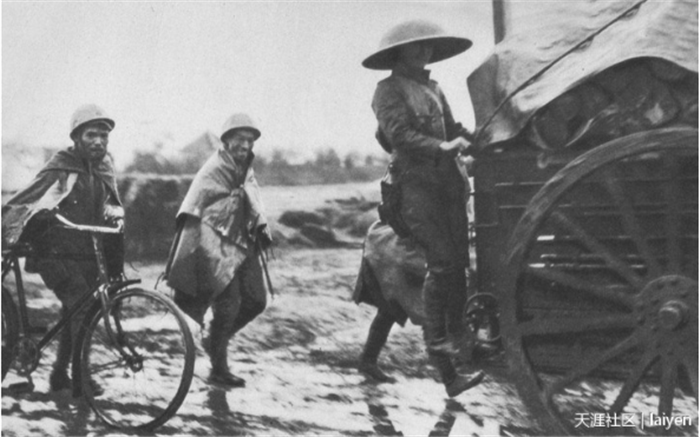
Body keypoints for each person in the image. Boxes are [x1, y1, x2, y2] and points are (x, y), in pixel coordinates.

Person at [361, 19, 484, 397]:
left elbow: (453, 128)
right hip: (414, 188)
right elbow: (399, 135)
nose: (424, 52)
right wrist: (441, 148)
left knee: (458, 266)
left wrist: (480, 138)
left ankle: (457, 338)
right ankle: (438, 343)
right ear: (398, 53)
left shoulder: (434, 87)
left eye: (428, 46)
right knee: (442, 263)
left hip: (449, 186)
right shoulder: (387, 90)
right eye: (416, 46)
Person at [2, 104, 124, 396]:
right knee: (82, 306)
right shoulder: (61, 165)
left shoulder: (105, 168)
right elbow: (27, 198)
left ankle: (59, 375)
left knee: (78, 308)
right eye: (91, 135)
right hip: (53, 252)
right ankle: (81, 379)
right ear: (76, 137)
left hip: (86, 252)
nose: (99, 142)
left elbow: (113, 209)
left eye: (104, 136)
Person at [165, 112, 272, 388]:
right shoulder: (214, 168)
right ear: (226, 140)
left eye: (250, 140)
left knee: (257, 300)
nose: (245, 145)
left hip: (243, 240)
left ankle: (214, 341)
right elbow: (199, 205)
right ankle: (219, 368)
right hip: (214, 241)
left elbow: (251, 200)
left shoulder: (246, 169)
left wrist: (256, 225)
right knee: (228, 304)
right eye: (240, 139)